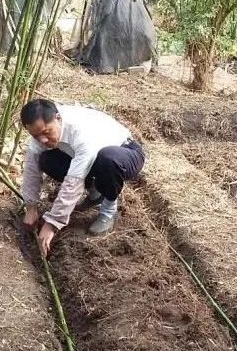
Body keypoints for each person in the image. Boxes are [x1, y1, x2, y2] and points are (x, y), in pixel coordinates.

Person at [20, 98, 145, 255]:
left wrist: (52, 223)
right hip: (88, 158)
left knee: (107, 159)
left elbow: (73, 183)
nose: (42, 140)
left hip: (125, 152)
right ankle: (95, 194)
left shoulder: (79, 132)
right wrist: (31, 207)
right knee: (46, 160)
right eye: (36, 136)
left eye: (46, 133)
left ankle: (108, 211)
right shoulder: (40, 133)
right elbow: (31, 171)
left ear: (57, 118)